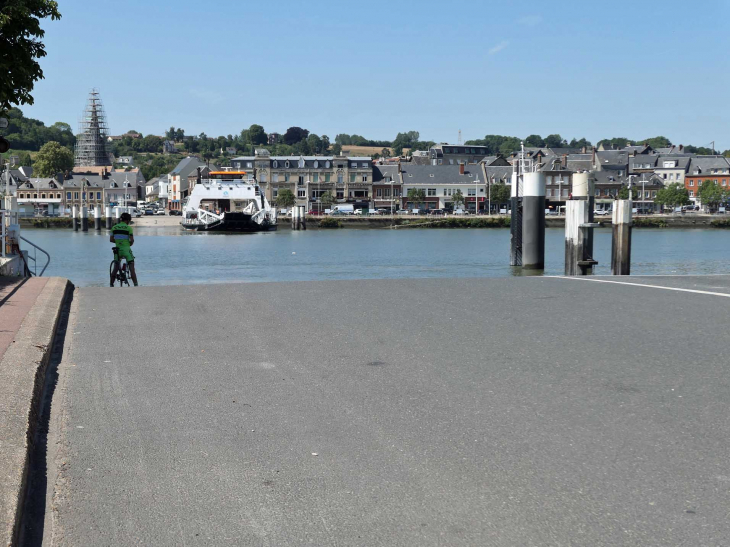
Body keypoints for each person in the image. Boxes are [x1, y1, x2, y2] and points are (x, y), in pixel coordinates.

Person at [110, 212, 139, 286]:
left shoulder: (114, 227)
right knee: (132, 268)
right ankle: (136, 284)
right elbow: (132, 240)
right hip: (126, 250)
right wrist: (129, 244)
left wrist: (118, 242)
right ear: (127, 220)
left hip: (117, 250)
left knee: (115, 268)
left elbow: (111, 240)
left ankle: (111, 284)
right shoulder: (129, 228)